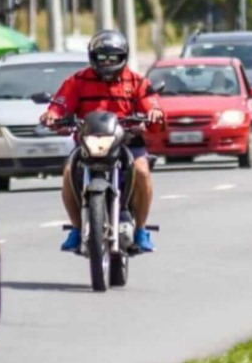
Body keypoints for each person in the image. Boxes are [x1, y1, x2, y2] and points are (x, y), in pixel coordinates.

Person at [40, 30, 166, 253]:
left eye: (112, 58)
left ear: (123, 57)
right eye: (102, 58)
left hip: (127, 141)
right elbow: (59, 105)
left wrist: (154, 113)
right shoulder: (77, 81)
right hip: (88, 141)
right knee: (69, 171)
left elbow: (152, 104)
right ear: (92, 57)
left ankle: (141, 230)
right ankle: (77, 229)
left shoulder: (136, 81)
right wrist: (52, 115)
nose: (107, 63)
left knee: (142, 171)